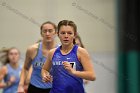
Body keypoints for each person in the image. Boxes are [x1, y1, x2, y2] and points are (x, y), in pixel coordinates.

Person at [42, 20, 96, 93]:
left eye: (70, 33)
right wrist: (45, 76)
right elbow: (44, 69)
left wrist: (74, 72)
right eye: (63, 33)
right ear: (58, 34)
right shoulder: (52, 52)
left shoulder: (81, 52)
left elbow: (92, 76)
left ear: (75, 35)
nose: (66, 36)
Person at [17, 21, 57, 93]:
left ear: (56, 33)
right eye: (45, 31)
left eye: (50, 31)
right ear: (41, 33)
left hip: (54, 88)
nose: (47, 34)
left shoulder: (61, 50)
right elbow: (25, 68)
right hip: (35, 87)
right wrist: (21, 85)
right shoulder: (32, 49)